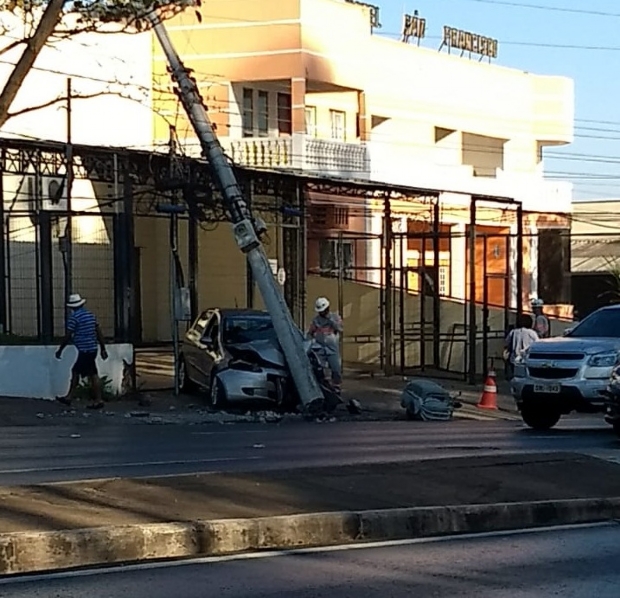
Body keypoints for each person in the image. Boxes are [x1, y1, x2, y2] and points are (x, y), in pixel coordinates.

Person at [55, 293, 108, 409]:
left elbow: (68, 335)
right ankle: (96, 399)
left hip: (84, 350)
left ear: (72, 307)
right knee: (92, 373)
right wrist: (103, 348)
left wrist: (60, 349)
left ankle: (72, 397)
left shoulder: (74, 318)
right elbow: (98, 332)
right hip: (92, 348)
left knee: (77, 371)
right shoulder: (90, 315)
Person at [308, 296, 343, 394]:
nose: (321, 313)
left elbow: (340, 329)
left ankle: (336, 387)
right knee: (321, 369)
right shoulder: (316, 320)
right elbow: (310, 333)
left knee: (336, 368)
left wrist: (331, 321)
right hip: (320, 348)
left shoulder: (335, 317)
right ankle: (323, 387)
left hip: (332, 348)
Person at [504, 314, 539, 379]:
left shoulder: (513, 332)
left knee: (515, 377)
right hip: (527, 358)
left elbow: (506, 342)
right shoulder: (531, 332)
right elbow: (537, 343)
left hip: (514, 358)